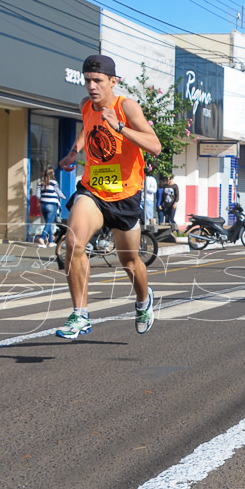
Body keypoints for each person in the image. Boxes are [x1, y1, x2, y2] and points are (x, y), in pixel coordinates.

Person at [56, 54, 163, 339]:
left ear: (113, 81)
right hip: (93, 188)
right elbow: (87, 127)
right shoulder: (85, 106)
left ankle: (143, 302)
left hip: (126, 195)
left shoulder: (126, 107)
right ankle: (80, 315)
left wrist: (120, 128)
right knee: (73, 242)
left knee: (129, 262)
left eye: (98, 81)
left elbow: (155, 146)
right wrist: (74, 151)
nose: (92, 86)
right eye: (87, 80)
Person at [35, 167, 65, 248]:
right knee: (49, 223)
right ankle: (42, 237)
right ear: (51, 174)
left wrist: (41, 199)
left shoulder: (40, 183)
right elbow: (59, 193)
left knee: (48, 223)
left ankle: (51, 242)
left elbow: (37, 195)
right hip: (52, 205)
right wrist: (64, 197)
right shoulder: (54, 183)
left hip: (43, 205)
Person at [143, 165, 158, 232]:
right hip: (141, 199)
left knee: (149, 212)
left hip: (148, 199)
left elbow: (154, 190)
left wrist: (146, 188)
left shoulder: (152, 179)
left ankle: (151, 223)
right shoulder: (141, 179)